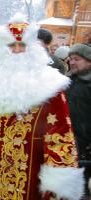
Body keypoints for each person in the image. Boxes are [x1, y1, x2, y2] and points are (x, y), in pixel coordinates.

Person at [0, 14, 84, 200]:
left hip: (26, 176)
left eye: (22, 45)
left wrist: (58, 185)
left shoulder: (51, 86)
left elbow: (60, 138)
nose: (16, 50)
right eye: (11, 45)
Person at [66, 43, 91, 197]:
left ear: (89, 61)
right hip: (68, 143)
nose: (72, 62)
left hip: (86, 148)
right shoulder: (67, 81)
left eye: (77, 59)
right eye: (70, 59)